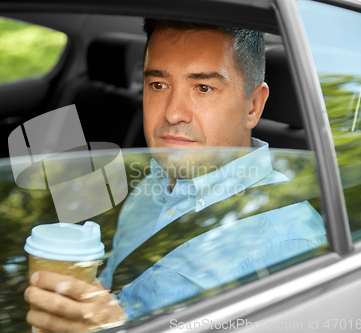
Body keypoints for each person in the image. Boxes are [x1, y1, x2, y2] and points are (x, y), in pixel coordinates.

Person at [24, 18, 327, 331]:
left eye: (203, 87)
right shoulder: (155, 179)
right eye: (158, 85)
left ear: (253, 106)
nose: (172, 113)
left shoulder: (288, 242)